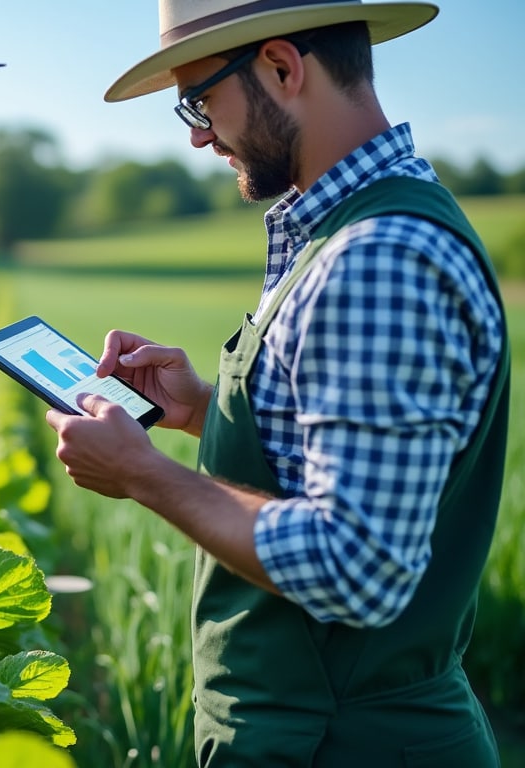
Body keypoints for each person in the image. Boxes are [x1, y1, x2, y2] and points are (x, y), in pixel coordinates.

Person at [44, 1, 510, 765]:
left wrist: (144, 475)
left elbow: (355, 565)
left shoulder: (375, 258)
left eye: (200, 101)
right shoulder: (351, 227)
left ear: (283, 67)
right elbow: (337, 457)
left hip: (344, 745)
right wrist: (205, 412)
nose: (198, 135)